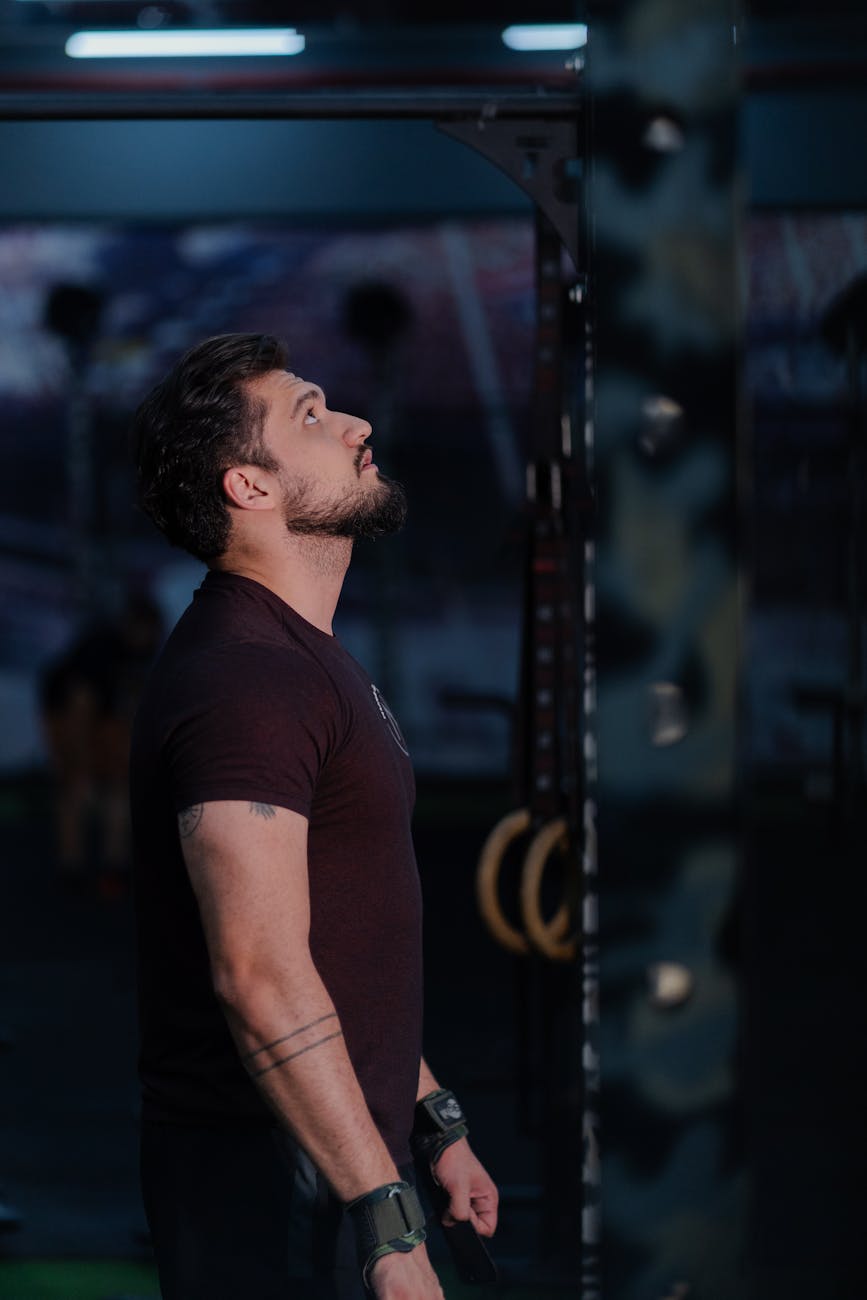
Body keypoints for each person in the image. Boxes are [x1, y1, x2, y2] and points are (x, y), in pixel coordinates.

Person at [129, 333, 498, 1299]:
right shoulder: (247, 681)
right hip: (275, 1185)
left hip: (334, 1165)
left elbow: (338, 937)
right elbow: (258, 974)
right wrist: (387, 1223)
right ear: (248, 487)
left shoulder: (302, 659)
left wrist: (432, 1122)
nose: (355, 424)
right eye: (310, 414)